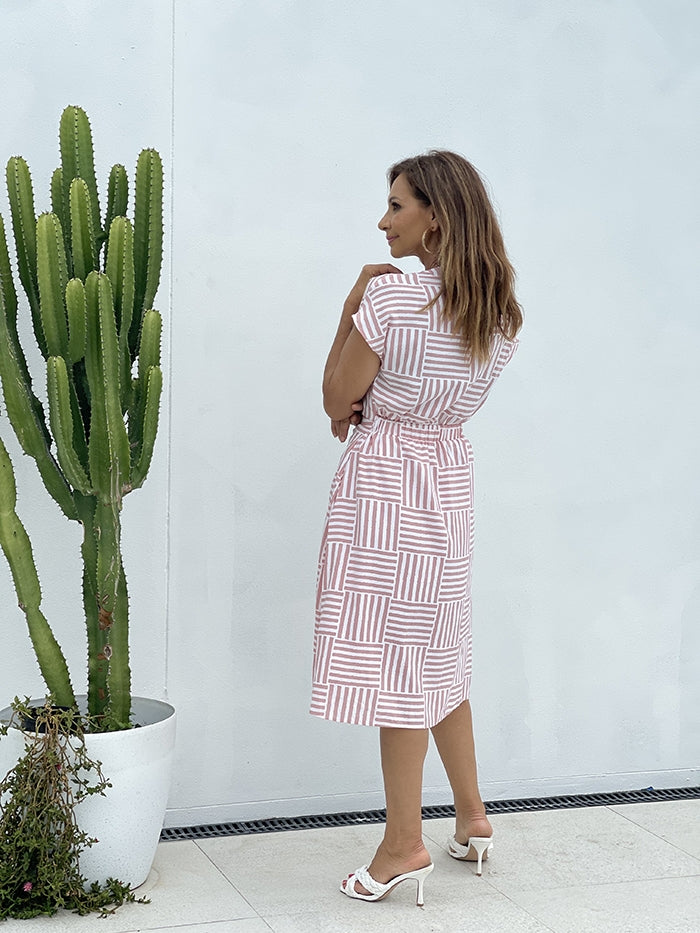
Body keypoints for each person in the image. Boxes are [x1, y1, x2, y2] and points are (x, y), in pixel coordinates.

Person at [311, 150, 522, 905]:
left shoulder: (392, 302)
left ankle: (402, 843)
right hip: (448, 483)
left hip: (384, 490)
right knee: (438, 650)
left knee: (398, 668)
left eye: (396, 205)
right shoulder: (497, 313)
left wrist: (352, 305)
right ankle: (472, 817)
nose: (382, 219)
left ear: (436, 213)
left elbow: (337, 394)